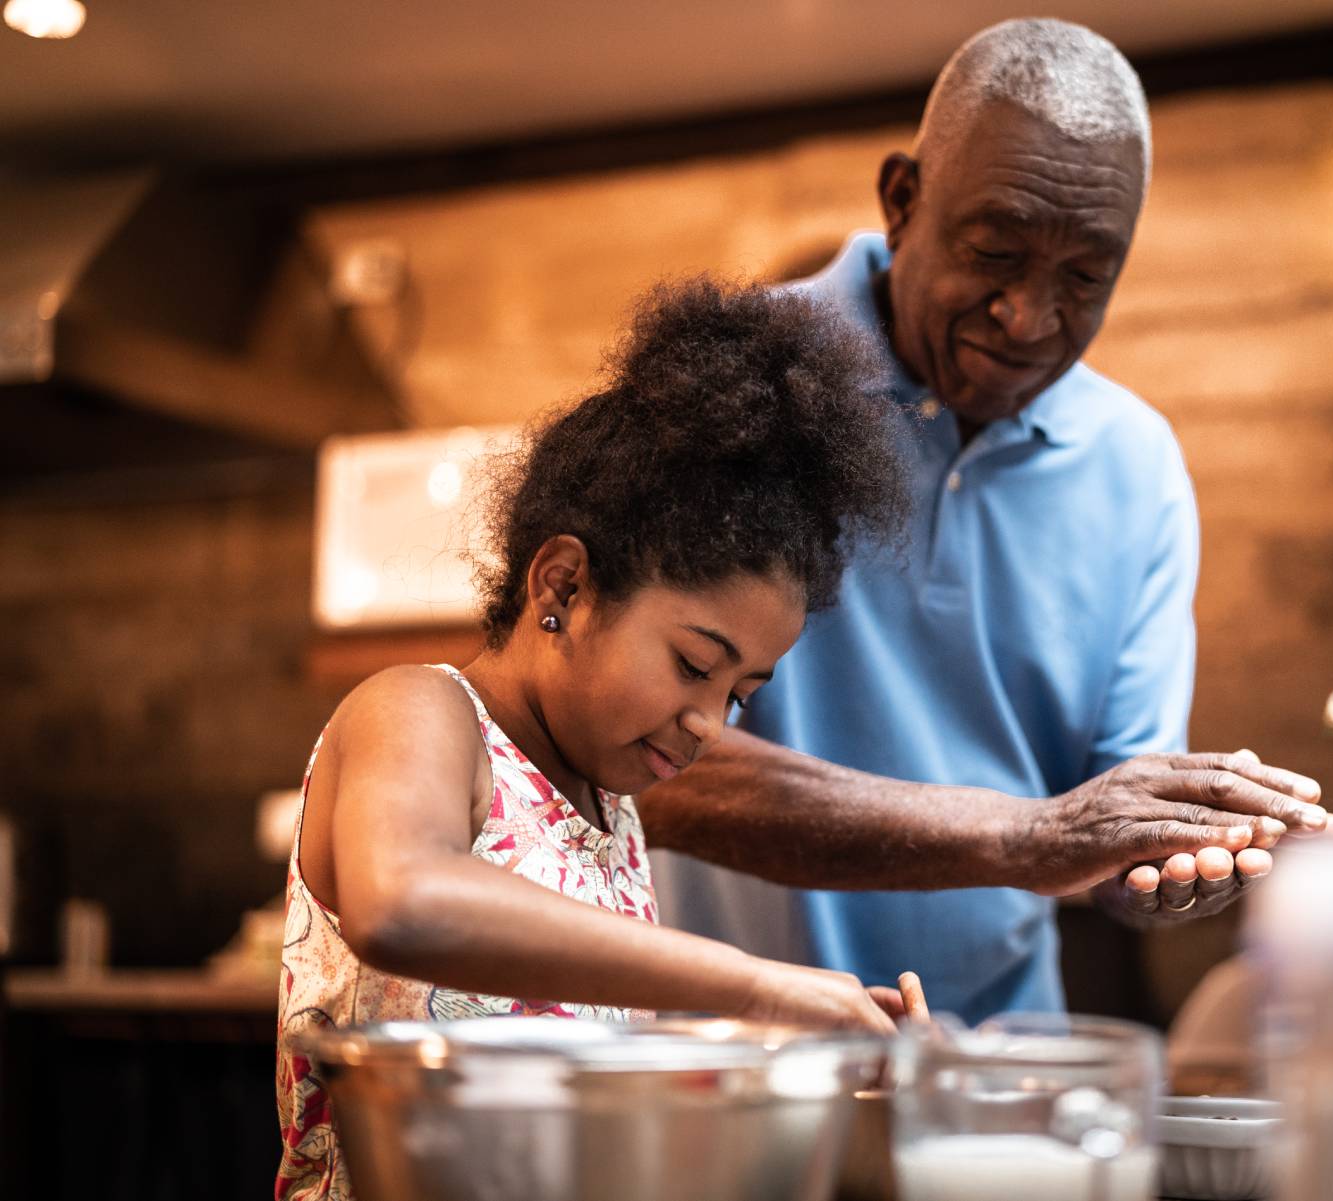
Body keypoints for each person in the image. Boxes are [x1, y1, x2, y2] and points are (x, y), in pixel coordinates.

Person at [643, 18, 1333, 1024]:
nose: (1027, 317)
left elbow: (1100, 831)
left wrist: (1177, 854)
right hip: (724, 1066)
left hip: (994, 1074)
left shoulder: (1136, 465)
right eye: (993, 251)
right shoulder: (736, 384)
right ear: (902, 201)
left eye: (1083, 278)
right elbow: (648, 762)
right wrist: (1030, 837)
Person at [275, 278, 918, 1201]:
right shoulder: (419, 711)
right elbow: (401, 899)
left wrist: (822, 1051)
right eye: (696, 664)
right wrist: (752, 983)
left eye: (742, 693)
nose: (710, 723)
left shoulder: (614, 813)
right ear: (565, 587)